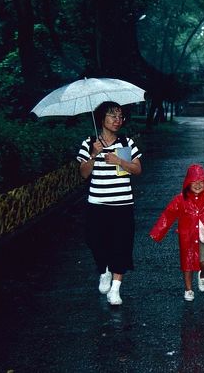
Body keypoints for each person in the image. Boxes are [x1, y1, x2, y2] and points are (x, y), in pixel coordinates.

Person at [77, 101, 142, 306]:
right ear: (102, 118)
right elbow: (83, 174)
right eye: (112, 116)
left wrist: (120, 161)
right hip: (97, 204)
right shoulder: (89, 143)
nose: (117, 120)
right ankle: (103, 270)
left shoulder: (125, 143)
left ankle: (115, 289)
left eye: (120, 116)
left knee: (121, 245)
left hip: (122, 204)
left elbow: (136, 170)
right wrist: (94, 155)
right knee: (95, 241)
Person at [149, 163, 204, 301]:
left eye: (201, 182)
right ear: (187, 183)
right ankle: (188, 289)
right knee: (187, 264)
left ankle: (202, 275)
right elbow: (168, 215)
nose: (198, 185)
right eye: (193, 182)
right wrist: (157, 232)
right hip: (188, 237)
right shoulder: (180, 199)